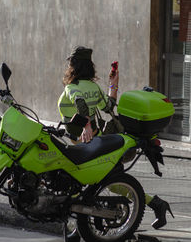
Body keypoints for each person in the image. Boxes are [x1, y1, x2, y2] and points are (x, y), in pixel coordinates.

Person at [57, 46, 174, 229]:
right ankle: (156, 204)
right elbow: (109, 106)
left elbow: (80, 104)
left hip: (84, 142)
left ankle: (156, 204)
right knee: (106, 183)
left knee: (93, 183)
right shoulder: (94, 87)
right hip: (98, 141)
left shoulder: (72, 88)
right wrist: (113, 84)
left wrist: (85, 125)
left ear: (72, 67)